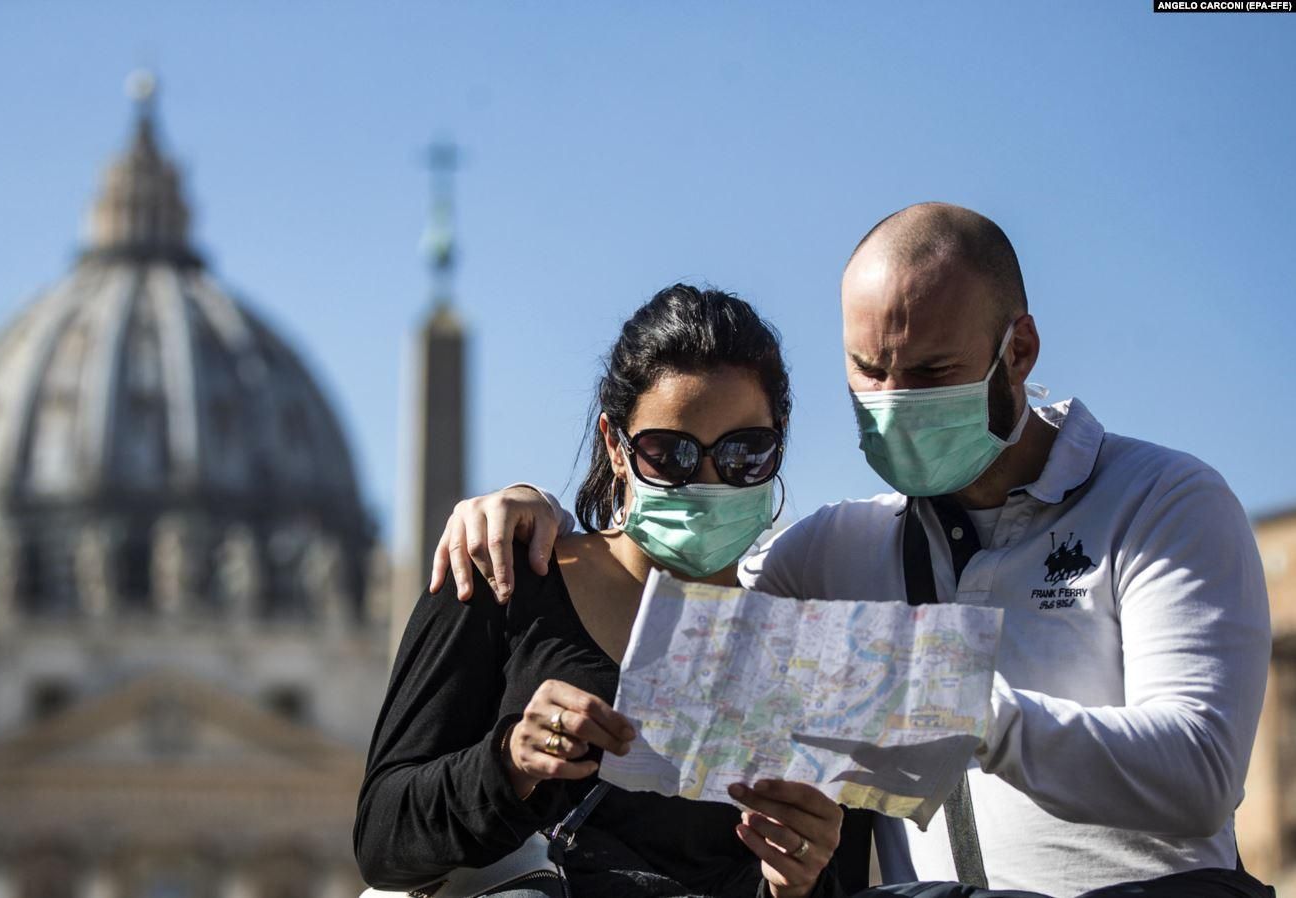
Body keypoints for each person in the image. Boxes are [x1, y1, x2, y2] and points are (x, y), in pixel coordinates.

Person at [428, 204, 1273, 897]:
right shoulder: (837, 548)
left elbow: (1197, 772)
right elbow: (685, 595)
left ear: (1016, 352)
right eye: (869, 370)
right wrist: (530, 506)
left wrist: (957, 709)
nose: (892, 401)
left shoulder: (1161, 501)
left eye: (929, 371)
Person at [355, 285, 849, 898]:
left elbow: (834, 877)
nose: (707, 481)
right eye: (669, 454)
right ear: (617, 446)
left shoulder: (807, 656)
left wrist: (799, 882)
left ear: (779, 445)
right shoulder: (502, 577)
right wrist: (509, 762)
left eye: (744, 453)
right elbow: (382, 839)